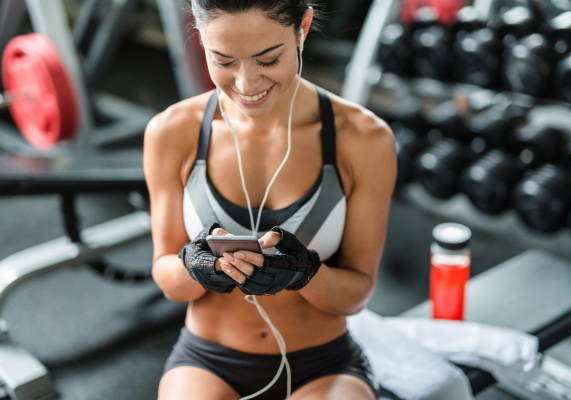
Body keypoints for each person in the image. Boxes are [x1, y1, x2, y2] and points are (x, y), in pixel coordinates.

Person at [143, 0, 397, 398]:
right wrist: (194, 266)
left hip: (323, 364)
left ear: (303, 26)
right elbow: (168, 279)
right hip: (208, 361)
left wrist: (305, 273)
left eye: (268, 59)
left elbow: (356, 294)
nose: (246, 84)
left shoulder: (365, 139)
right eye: (223, 61)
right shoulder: (171, 132)